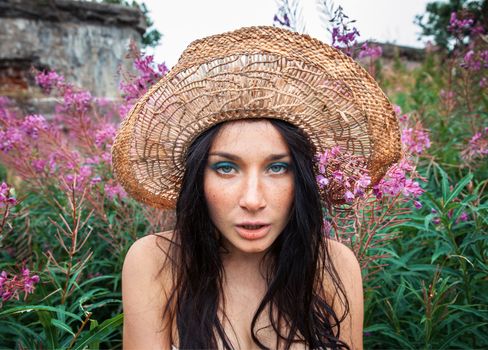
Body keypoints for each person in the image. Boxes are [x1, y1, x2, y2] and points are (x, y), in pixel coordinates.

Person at [112, 26, 401, 349]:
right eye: (226, 168)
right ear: (198, 179)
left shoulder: (334, 266)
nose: (252, 200)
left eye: (277, 168)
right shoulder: (156, 263)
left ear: (302, 179)